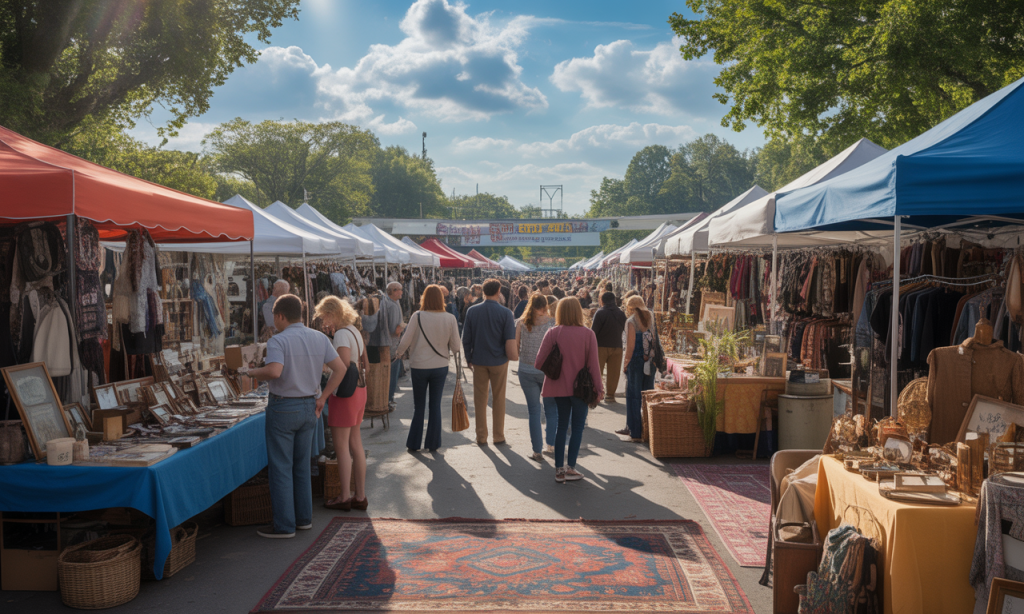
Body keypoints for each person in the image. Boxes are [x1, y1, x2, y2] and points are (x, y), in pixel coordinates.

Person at [246, 294, 345, 538]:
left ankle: (284, 526)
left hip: (284, 407)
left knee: (281, 467)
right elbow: (341, 368)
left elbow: (275, 371)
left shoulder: (279, 340)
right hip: (310, 406)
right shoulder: (319, 337)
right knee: (302, 465)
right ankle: (303, 519)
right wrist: (323, 398)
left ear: (280, 316)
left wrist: (250, 372)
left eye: (274, 318)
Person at [533, 297, 603, 483]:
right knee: (578, 427)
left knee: (561, 426)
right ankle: (571, 467)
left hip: (558, 387)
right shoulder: (588, 334)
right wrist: (599, 389)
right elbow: (594, 366)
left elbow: (539, 362)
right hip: (581, 388)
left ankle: (559, 470)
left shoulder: (553, 332)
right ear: (579, 312)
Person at [314, 297, 369, 512]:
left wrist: (325, 395)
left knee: (342, 447)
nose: (322, 320)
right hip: (358, 391)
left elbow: (342, 368)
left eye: (323, 316)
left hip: (345, 394)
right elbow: (365, 364)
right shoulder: (354, 331)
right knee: (355, 443)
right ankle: (360, 495)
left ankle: (345, 496)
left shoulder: (341, 334)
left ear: (332, 313)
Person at [396, 285, 461, 452]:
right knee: (435, 405)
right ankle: (433, 442)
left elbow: (405, 341)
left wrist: (398, 354)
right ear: (441, 299)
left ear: (423, 298)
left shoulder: (417, 316)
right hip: (440, 366)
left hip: (419, 366)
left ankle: (414, 443)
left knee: (419, 406)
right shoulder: (450, 318)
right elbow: (456, 346)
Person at [462, 278, 518, 445]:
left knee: (480, 400)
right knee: (499, 398)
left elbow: (466, 338)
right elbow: (510, 338)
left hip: (479, 359)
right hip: (499, 360)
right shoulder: (506, 313)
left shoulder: (472, 311)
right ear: (498, 291)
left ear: (483, 291)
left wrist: (468, 358)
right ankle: (498, 436)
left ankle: (481, 436)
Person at [515, 293, 558, 460]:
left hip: (526, 369)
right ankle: (551, 445)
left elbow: (516, 346)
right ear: (545, 305)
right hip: (548, 371)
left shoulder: (521, 323)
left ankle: (536, 451)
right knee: (551, 410)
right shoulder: (552, 323)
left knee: (533, 411)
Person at [622, 296, 656, 442]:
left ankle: (635, 432)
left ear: (630, 307)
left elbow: (630, 347)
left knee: (634, 396)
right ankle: (648, 431)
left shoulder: (631, 321)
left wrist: (625, 363)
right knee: (647, 396)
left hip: (636, 362)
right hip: (650, 361)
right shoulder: (651, 317)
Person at [591, 291, 627, 404]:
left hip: (600, 346)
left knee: (597, 372)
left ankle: (596, 394)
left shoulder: (600, 312)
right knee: (614, 372)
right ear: (615, 300)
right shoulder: (621, 313)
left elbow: (593, 332)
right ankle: (610, 395)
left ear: (602, 300)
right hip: (617, 346)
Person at [382, 282, 406, 410]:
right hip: (393, 344)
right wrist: (402, 328)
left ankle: (388, 398)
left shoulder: (388, 302)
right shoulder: (393, 305)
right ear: (393, 291)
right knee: (392, 374)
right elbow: (394, 329)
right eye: (400, 290)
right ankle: (389, 399)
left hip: (388, 344)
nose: (402, 292)